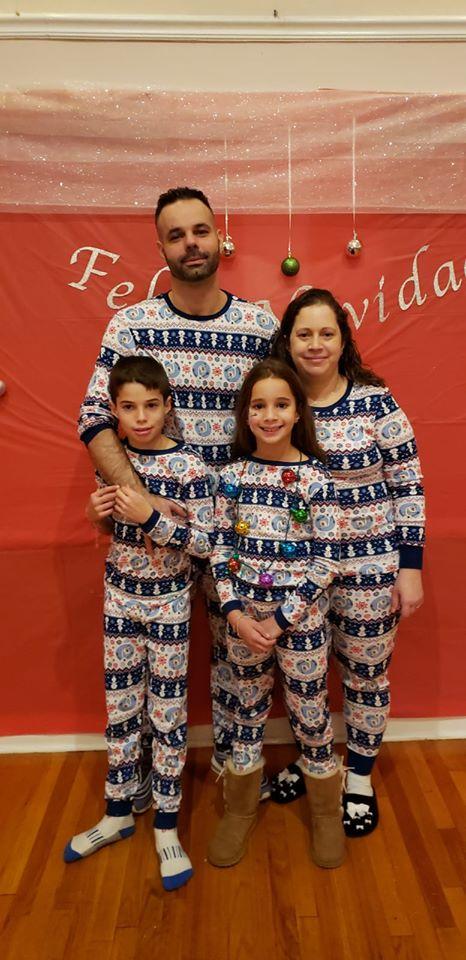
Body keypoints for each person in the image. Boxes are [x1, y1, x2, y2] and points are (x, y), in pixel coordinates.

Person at [78, 187, 279, 804]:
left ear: (219, 237)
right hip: (148, 541)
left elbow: (286, 415)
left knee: (239, 654)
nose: (191, 244)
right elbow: (94, 417)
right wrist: (141, 502)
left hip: (236, 528)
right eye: (176, 235)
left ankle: (236, 771)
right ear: (161, 247)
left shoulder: (260, 326)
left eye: (200, 230)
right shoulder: (130, 325)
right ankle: (139, 777)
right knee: (140, 665)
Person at [270, 288, 425, 837]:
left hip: (371, 569)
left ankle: (357, 777)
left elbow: (408, 485)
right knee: (303, 678)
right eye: (304, 333)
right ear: (288, 341)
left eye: (326, 333)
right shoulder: (277, 403)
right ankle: (316, 763)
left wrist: (410, 568)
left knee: (365, 676)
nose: (315, 344)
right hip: (296, 573)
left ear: (342, 341)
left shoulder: (376, 402)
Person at [65, 357, 213, 891]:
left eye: (151, 405)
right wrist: (96, 516)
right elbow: (112, 530)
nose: (142, 417)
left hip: (169, 605)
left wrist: (153, 518)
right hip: (119, 602)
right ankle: (118, 811)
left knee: (167, 714)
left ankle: (167, 825)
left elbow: (207, 543)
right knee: (122, 709)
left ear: (168, 405)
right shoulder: (112, 462)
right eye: (129, 407)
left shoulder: (190, 467)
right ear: (114, 410)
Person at [208, 359, 344, 870]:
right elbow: (220, 549)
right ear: (245, 414)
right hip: (243, 623)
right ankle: (240, 809)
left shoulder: (316, 479)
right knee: (245, 711)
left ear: (297, 411)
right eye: (259, 406)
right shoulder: (232, 477)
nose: (270, 416)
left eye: (281, 405)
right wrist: (236, 614)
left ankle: (326, 813)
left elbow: (326, 560)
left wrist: (281, 620)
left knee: (310, 713)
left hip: (299, 625)